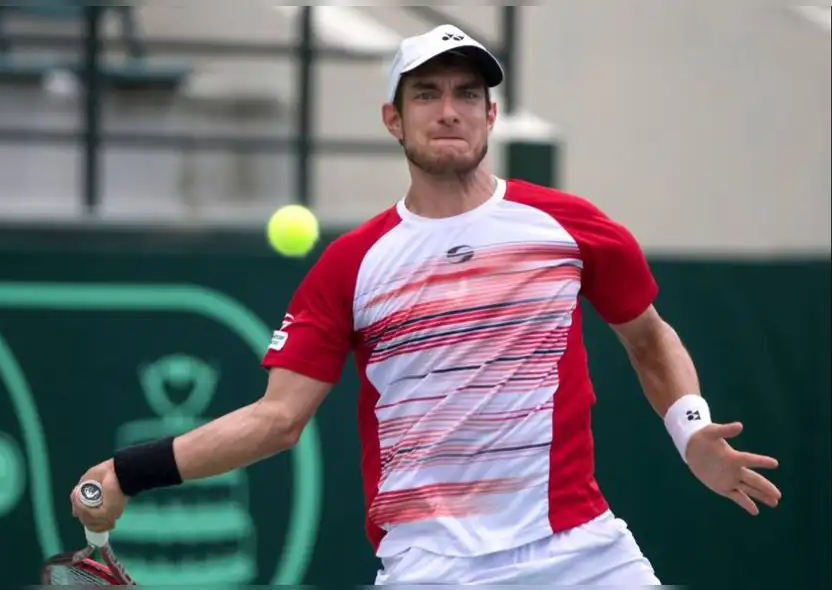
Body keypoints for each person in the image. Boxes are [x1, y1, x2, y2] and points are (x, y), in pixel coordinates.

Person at [70, 24, 782, 585]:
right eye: (428, 93)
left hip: (580, 553)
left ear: (491, 113)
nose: (450, 111)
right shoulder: (351, 266)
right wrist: (130, 469)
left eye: (467, 94)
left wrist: (691, 433)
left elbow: (649, 339)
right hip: (432, 568)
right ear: (393, 118)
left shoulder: (570, 226)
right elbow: (276, 420)